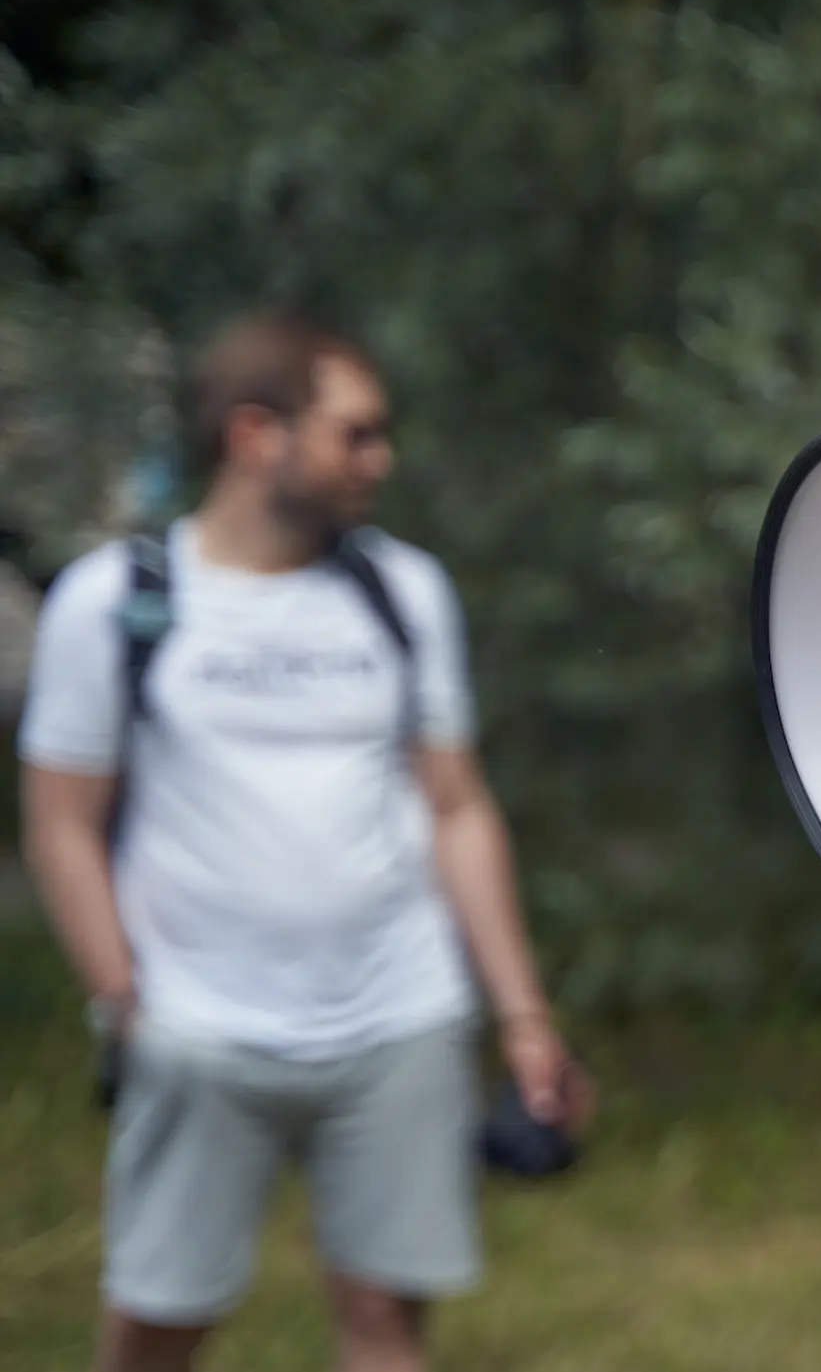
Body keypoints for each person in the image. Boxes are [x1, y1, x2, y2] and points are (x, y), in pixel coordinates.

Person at [17, 311, 589, 1372]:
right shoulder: (116, 605)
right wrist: (127, 1003)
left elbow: (457, 808)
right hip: (198, 1027)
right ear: (255, 437)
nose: (383, 458)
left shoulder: (401, 593)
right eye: (355, 433)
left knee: (384, 1323)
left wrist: (522, 1018)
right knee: (156, 1321)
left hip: (396, 1020)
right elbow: (60, 822)